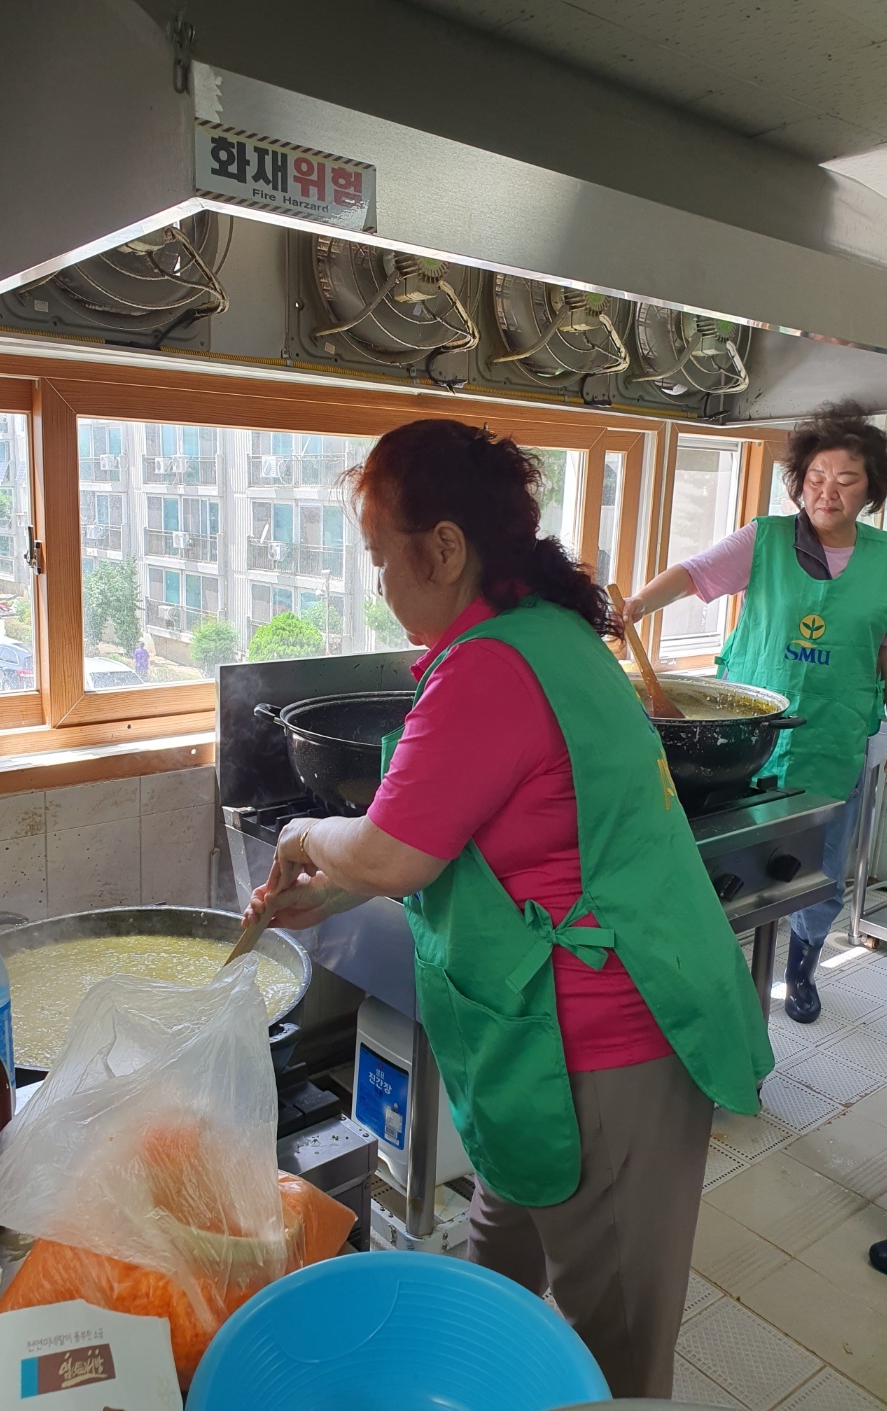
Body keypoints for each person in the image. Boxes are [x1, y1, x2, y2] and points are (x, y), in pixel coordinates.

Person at [246, 418, 772, 1399]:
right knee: (494, 1257)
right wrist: (331, 893)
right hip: (541, 1042)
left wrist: (306, 836)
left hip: (610, 1045)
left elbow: (394, 850)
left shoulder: (491, 667)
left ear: (443, 548)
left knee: (615, 1351)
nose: (378, 581)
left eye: (380, 556)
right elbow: (463, 825)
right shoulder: (545, 633)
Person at [625, 402, 887, 1024]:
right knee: (725, 864)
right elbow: (693, 575)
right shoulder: (764, 540)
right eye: (816, 478)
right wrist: (635, 607)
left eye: (845, 480)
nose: (827, 492)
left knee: (820, 865)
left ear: (870, 490)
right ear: (799, 481)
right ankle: (710, 970)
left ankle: (802, 966)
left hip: (833, 736)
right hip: (746, 736)